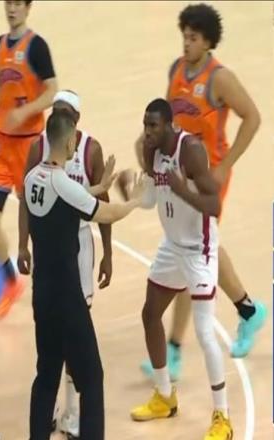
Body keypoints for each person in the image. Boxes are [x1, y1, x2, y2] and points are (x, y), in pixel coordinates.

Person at [125, 3, 266, 381]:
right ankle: (248, 310)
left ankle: (175, 349)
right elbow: (169, 117)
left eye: (193, 38)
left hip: (207, 174)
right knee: (196, 249)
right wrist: (148, 144)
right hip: (178, 170)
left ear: (208, 42)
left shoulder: (220, 78)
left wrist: (225, 165)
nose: (186, 43)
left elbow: (253, 117)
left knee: (194, 250)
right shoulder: (177, 70)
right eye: (184, 36)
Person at [24, 109, 146, 440]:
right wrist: (135, 201)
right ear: (68, 143)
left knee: (46, 374)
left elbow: (65, 199)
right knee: (92, 377)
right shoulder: (63, 183)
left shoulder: (32, 177)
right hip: (67, 296)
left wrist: (99, 186)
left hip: (41, 293)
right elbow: (108, 213)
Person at [129, 98, 232, 439]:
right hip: (172, 246)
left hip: (199, 249)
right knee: (149, 314)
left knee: (204, 333)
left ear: (169, 125)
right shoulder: (153, 153)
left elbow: (214, 205)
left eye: (153, 126)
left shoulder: (191, 151)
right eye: (145, 125)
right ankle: (164, 396)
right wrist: (129, 192)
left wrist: (181, 189)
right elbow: (151, 200)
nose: (147, 132)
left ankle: (222, 417)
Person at [18, 90, 112, 439]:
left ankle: (69, 414)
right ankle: (77, 419)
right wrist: (135, 201)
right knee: (89, 370)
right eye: (56, 111)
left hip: (52, 275)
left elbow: (83, 195)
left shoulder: (83, 153)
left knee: (49, 368)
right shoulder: (49, 163)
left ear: (76, 120)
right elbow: (99, 207)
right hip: (66, 272)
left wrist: (108, 251)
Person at [0, 0, 58, 319]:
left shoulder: (36, 46)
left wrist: (25, 112)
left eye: (17, 4)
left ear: (27, 8)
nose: (11, 9)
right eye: (8, 3)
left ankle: (51, 279)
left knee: (36, 221)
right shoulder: (1, 43)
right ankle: (11, 282)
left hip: (28, 147)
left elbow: (52, 91)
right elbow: (3, 83)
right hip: (0, 143)